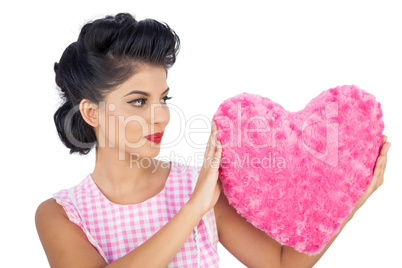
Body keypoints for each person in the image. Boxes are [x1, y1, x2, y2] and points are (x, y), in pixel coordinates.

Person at [35, 12, 391, 268]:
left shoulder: (200, 184)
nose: (160, 116)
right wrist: (193, 210)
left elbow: (281, 264)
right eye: (139, 101)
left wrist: (349, 197)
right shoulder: (61, 215)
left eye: (164, 99)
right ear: (91, 112)